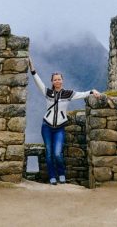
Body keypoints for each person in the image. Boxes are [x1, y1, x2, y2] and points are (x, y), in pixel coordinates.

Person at [28, 57, 101, 185]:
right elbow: (37, 81)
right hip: (46, 126)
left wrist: (92, 91)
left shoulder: (68, 94)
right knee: (49, 153)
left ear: (62, 81)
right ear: (52, 81)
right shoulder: (48, 92)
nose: (57, 81)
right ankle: (52, 176)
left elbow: (81, 94)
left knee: (57, 153)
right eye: (55, 79)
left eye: (59, 79)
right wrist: (32, 68)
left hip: (59, 128)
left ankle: (61, 174)